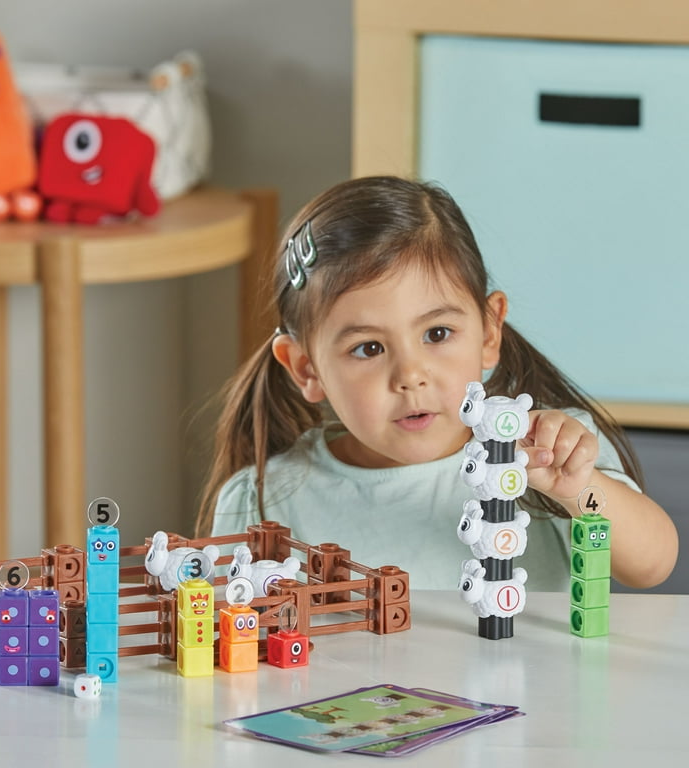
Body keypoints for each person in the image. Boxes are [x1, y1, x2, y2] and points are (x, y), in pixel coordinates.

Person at [196, 176, 678, 590]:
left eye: (437, 334)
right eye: (369, 348)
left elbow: (652, 565)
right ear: (306, 368)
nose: (411, 376)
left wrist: (576, 489)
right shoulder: (266, 499)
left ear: (489, 332)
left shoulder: (551, 451)